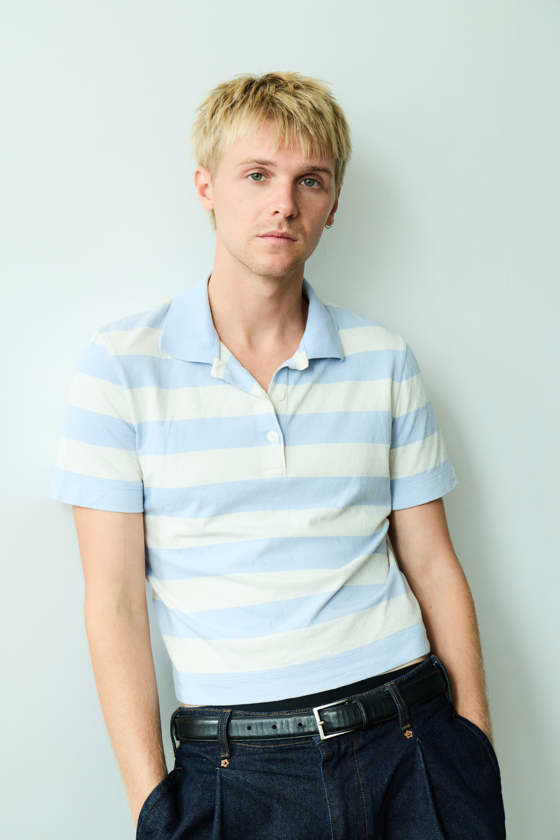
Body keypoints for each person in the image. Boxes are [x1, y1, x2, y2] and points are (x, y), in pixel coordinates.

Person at [49, 71, 506, 838]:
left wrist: (474, 748)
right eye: (257, 175)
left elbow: (432, 563)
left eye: (310, 181)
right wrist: (152, 806)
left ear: (334, 202)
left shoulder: (383, 358)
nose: (284, 204)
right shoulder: (122, 366)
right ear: (206, 186)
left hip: (410, 737)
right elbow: (115, 600)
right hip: (238, 773)